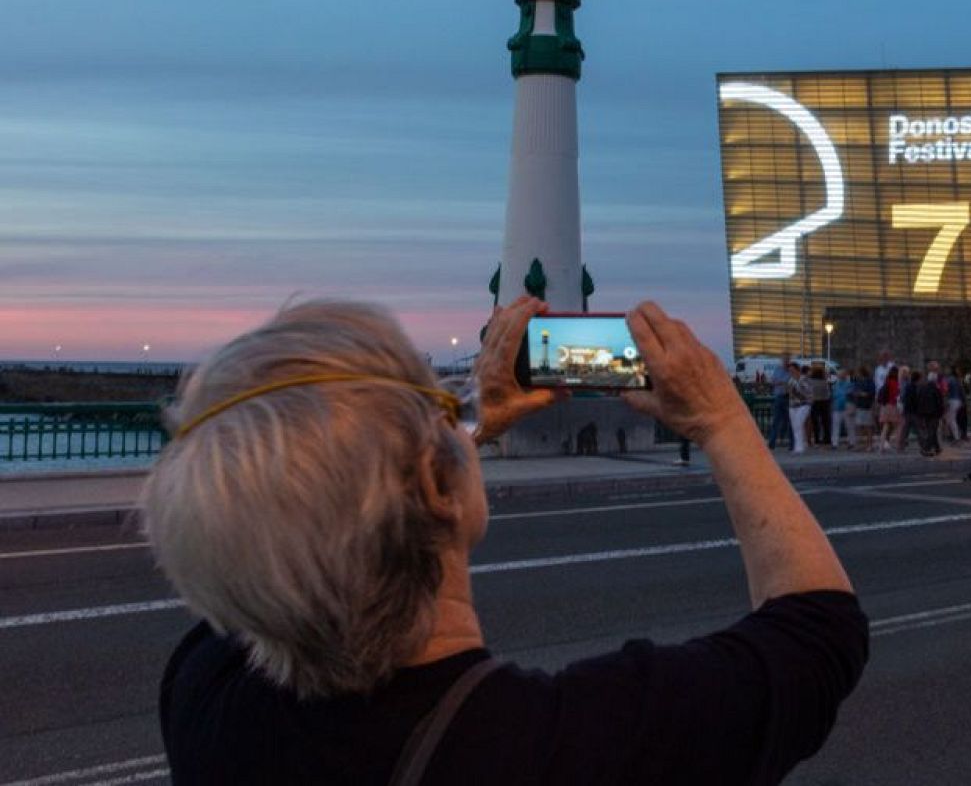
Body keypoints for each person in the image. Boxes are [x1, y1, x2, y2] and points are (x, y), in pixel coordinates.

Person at [144, 297, 867, 784]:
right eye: (437, 408)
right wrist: (718, 417)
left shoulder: (207, 699)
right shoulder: (552, 750)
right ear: (437, 490)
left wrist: (462, 423)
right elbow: (819, 634)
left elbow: (260, 540)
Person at [911, 367, 946, 457]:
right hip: (933, 413)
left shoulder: (922, 388)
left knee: (931, 430)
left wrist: (919, 412)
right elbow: (939, 402)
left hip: (923, 413)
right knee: (932, 431)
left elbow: (917, 400)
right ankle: (926, 448)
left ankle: (937, 448)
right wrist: (941, 413)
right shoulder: (935, 389)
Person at [765, 352, 793, 450]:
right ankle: (771, 444)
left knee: (790, 422)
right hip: (778, 397)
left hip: (788, 398)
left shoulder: (792, 370)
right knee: (776, 421)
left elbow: (792, 383)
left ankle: (792, 445)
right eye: (784, 359)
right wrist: (782, 383)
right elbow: (773, 381)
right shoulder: (777, 369)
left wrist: (781, 383)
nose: (786, 361)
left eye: (787, 359)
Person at [786, 362, 813, 453]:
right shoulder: (790, 380)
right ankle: (799, 445)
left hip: (804, 405)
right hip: (792, 405)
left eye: (792, 370)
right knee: (795, 426)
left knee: (798, 423)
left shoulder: (804, 379)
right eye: (789, 371)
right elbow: (789, 393)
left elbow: (808, 392)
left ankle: (800, 447)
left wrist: (797, 391)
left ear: (798, 370)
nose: (791, 372)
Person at [875, 364, 901, 452]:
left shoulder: (887, 381)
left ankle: (881, 447)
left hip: (885, 406)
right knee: (898, 427)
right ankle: (898, 446)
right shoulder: (896, 383)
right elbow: (896, 395)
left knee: (885, 427)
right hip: (893, 406)